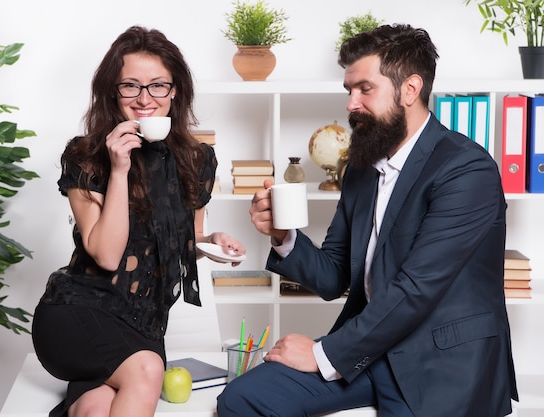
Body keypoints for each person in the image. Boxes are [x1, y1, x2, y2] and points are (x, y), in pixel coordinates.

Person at [217, 24, 518, 417]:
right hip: (367, 350)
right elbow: (333, 276)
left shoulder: (467, 170)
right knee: (240, 401)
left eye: (365, 89)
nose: (350, 104)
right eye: (349, 91)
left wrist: (322, 353)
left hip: (442, 364)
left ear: (410, 90)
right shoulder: (361, 169)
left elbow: (416, 289)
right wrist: (283, 236)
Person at [32, 25, 245, 417]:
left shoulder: (196, 161)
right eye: (130, 86)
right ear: (113, 92)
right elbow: (108, 255)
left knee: (97, 408)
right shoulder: (85, 156)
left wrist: (212, 241)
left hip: (144, 325)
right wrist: (118, 169)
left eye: (158, 86)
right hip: (77, 313)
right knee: (147, 369)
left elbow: (183, 240)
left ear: (175, 90)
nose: (145, 98)